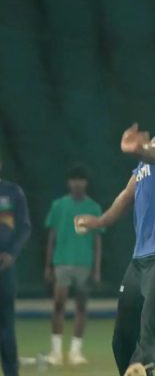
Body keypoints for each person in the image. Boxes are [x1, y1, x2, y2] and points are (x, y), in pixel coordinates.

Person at [75, 73, 155, 376]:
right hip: (140, 259)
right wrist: (100, 221)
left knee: (150, 329)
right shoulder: (149, 153)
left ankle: (142, 366)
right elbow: (127, 194)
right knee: (122, 341)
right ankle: (137, 369)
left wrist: (142, 150)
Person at [44, 164, 103, 366]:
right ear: (69, 183)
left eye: (81, 180)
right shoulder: (58, 205)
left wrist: (96, 269)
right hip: (61, 262)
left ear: (86, 183)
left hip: (84, 263)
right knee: (58, 305)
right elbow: (51, 237)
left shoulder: (94, 208)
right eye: (74, 180)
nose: (77, 184)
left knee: (81, 307)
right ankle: (55, 352)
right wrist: (48, 265)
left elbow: (97, 241)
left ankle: (75, 352)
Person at [0, 155, 31, 376]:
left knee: (6, 327)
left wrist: (11, 254)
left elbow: (24, 227)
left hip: (4, 269)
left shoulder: (13, 192)